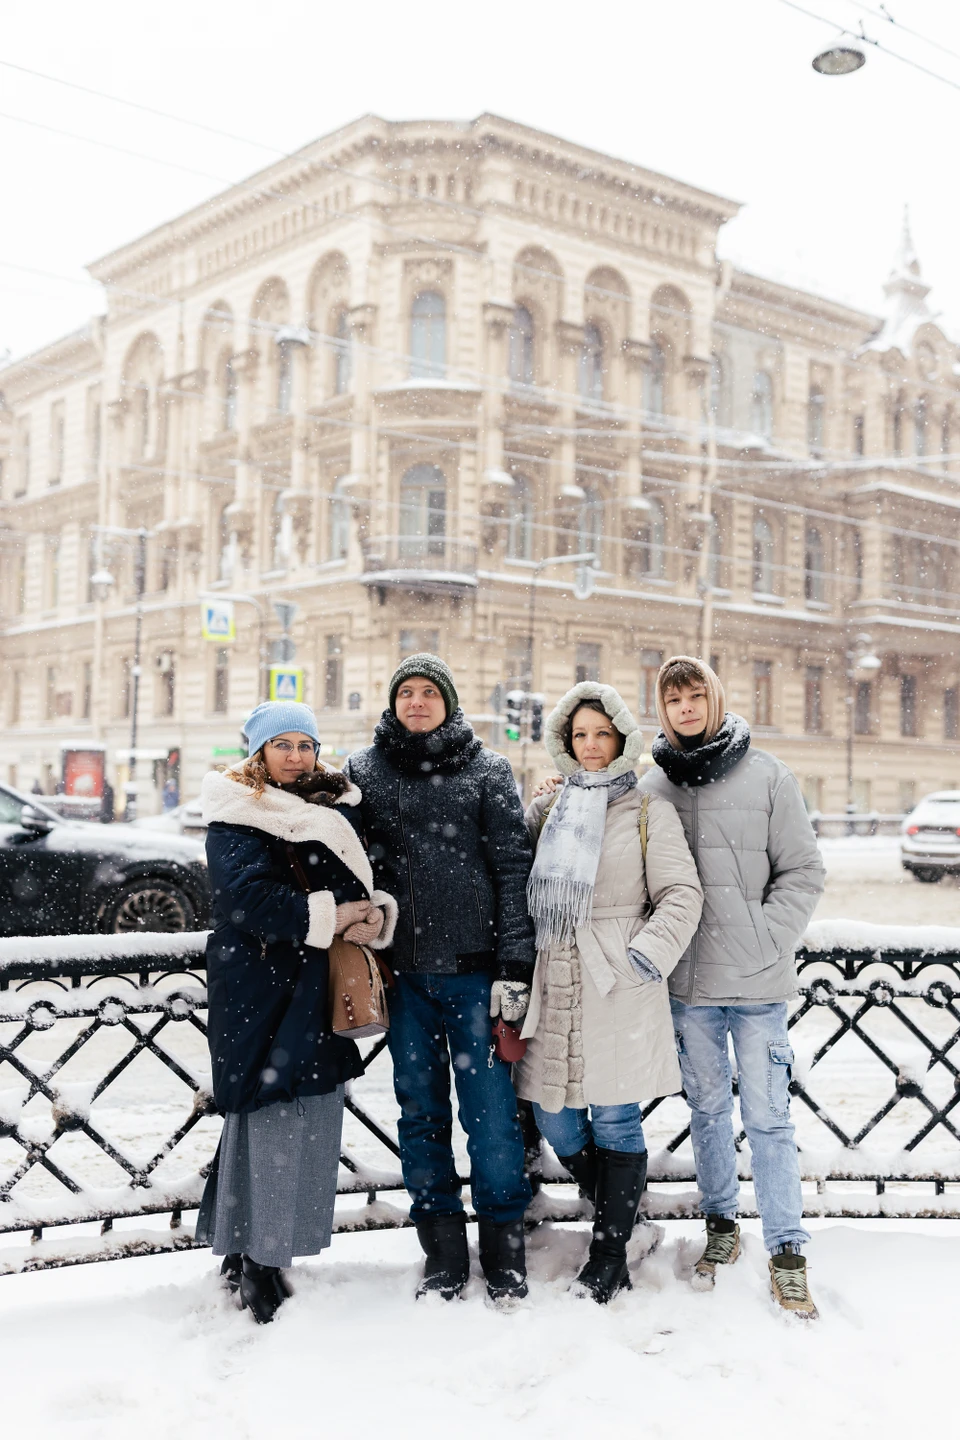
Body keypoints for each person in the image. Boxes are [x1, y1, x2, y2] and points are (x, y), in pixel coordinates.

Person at [195, 700, 397, 1323]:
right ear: (257, 753)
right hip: (260, 983)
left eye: (305, 745)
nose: (296, 756)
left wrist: (370, 912)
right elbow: (248, 898)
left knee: (304, 1109)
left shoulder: (328, 809)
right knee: (267, 1109)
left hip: (312, 982)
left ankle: (255, 1248)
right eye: (281, 745)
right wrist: (333, 914)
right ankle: (256, 1258)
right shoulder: (238, 812)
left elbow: (366, 877)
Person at [343, 654, 535, 1307]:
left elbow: (514, 871)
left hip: (477, 978)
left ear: (449, 703)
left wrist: (515, 966)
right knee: (420, 1116)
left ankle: (505, 1246)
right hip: (405, 982)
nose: (417, 702)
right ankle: (443, 1250)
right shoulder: (363, 773)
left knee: (491, 1120)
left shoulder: (488, 771)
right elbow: (345, 865)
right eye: (407, 693)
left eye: (429, 693)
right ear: (393, 702)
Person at [641, 656, 825, 1318]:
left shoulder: (767, 775)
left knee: (770, 1120)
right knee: (708, 1113)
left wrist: (764, 938)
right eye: (674, 699)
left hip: (756, 986)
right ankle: (721, 1229)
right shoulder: (653, 786)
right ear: (661, 711)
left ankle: (787, 1253)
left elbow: (802, 870)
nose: (686, 708)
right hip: (687, 986)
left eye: (696, 696)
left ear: (714, 701)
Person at [515, 682, 702, 1303]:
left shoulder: (648, 811)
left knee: (617, 1116)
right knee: (556, 1118)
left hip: (618, 977)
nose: (591, 746)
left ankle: (610, 1251)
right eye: (579, 735)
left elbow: (681, 894)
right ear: (564, 743)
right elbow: (521, 885)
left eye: (601, 733)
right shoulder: (548, 810)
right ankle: (623, 1213)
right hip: (555, 974)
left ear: (622, 738)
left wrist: (644, 955)